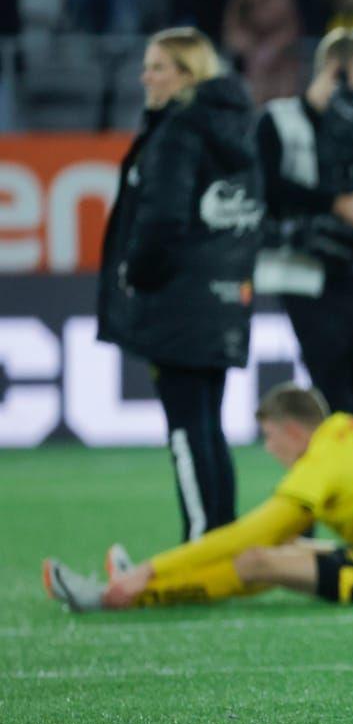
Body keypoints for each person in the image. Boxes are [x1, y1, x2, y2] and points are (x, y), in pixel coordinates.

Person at [42, 384, 353, 611]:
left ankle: (128, 594)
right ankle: (146, 584)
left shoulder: (323, 460)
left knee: (256, 560)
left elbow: (247, 538)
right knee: (282, 550)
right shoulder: (346, 432)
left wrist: (151, 569)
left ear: (293, 430)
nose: (269, 448)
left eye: (269, 436)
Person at [96, 27, 263, 543]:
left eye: (158, 67)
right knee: (208, 425)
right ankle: (221, 542)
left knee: (187, 429)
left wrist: (135, 275)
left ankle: (199, 542)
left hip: (177, 300)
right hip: (224, 294)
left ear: (188, 74)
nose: (146, 77)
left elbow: (161, 222)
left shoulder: (177, 133)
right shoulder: (238, 130)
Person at [255, 28, 353, 429]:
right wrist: (338, 204)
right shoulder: (278, 121)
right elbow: (264, 187)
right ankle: (344, 480)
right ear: (335, 71)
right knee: (333, 382)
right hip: (300, 268)